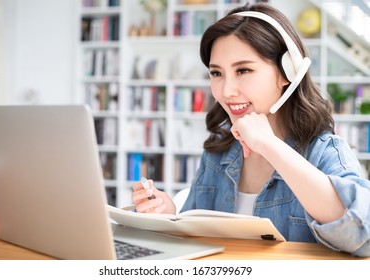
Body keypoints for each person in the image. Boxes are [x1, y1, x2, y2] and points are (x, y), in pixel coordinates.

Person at [131, 3, 370, 257]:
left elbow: (361, 236)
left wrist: (270, 145)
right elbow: (197, 239)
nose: (226, 91)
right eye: (216, 73)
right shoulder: (217, 154)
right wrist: (169, 217)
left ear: (288, 72)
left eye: (243, 70)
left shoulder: (324, 151)